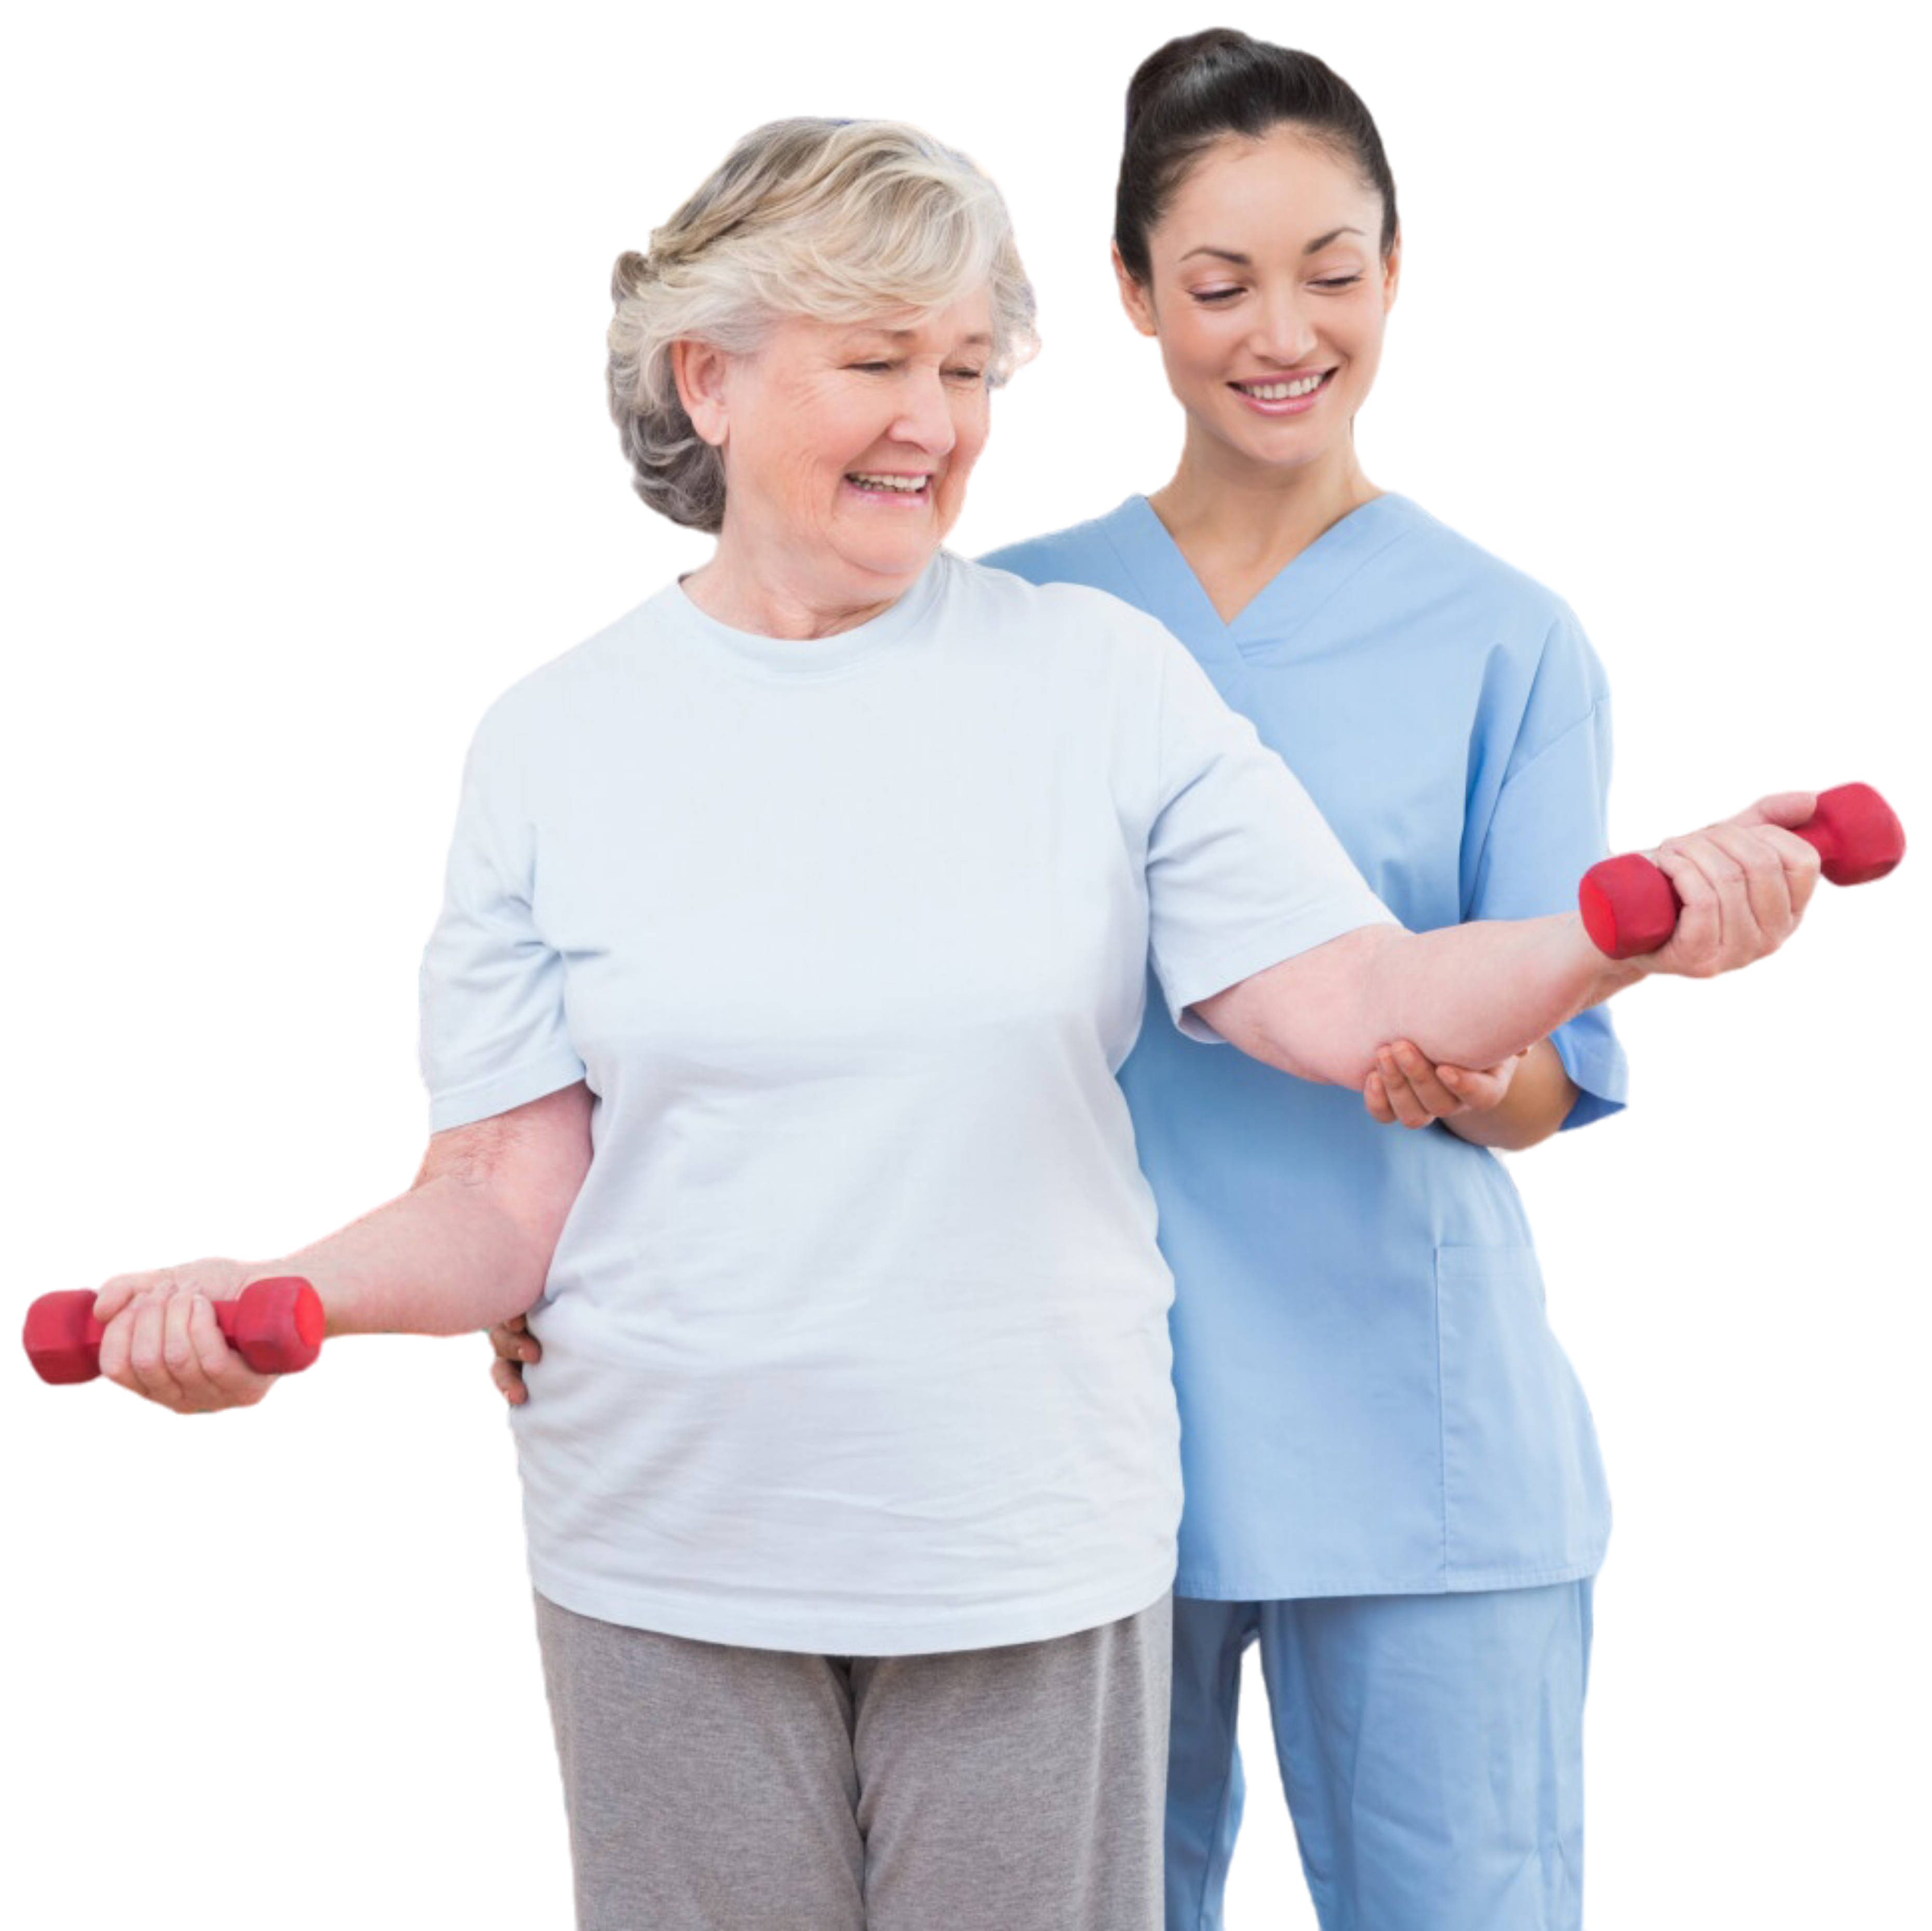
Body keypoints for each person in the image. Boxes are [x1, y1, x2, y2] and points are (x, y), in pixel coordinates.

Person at [92, 113, 1817, 1931]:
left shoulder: (1096, 678)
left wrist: (1619, 931)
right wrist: (295, 1291)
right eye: (876, 362)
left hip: (1021, 1552)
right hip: (664, 1545)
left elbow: (1366, 994)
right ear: (715, 377)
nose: (935, 418)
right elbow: (504, 1197)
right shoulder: (552, 736)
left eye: (967, 368)